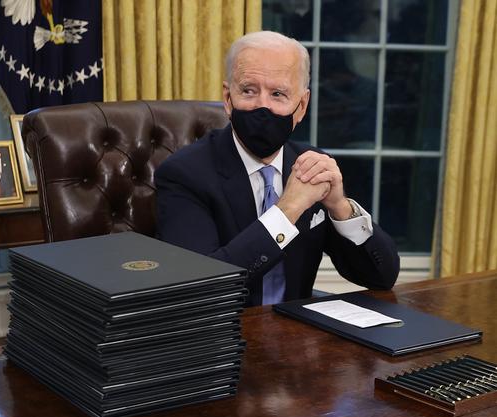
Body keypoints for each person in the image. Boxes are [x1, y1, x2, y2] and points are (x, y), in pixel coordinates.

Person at [154, 31, 400, 307]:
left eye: (278, 94)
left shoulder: (311, 166)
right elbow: (202, 289)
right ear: (227, 98)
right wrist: (288, 211)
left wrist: (341, 209)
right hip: (221, 339)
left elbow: (383, 276)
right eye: (249, 90)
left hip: (297, 333)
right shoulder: (183, 174)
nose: (263, 106)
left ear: (301, 106)